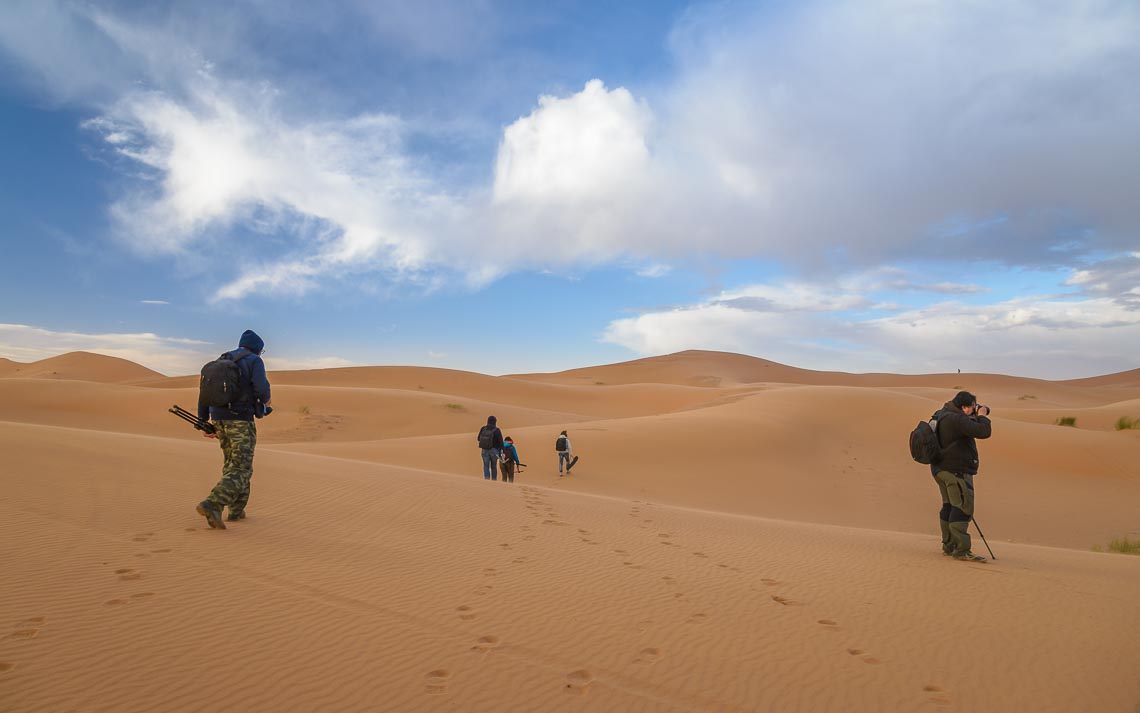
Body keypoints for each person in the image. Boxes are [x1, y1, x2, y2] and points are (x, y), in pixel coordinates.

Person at [195, 330, 272, 530]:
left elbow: (204, 393)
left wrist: (204, 421)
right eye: (262, 351)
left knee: (234, 463)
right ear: (257, 348)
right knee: (241, 468)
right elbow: (261, 389)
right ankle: (213, 503)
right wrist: (266, 402)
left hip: (219, 420)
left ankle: (237, 510)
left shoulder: (220, 361)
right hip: (240, 421)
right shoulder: (254, 361)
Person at [931, 391, 992, 561]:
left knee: (949, 506)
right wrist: (982, 415)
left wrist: (974, 414)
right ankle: (961, 549)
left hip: (940, 470)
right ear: (964, 407)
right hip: (955, 471)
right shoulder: (958, 420)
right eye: (972, 407)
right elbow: (984, 431)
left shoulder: (942, 413)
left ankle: (949, 545)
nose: (974, 409)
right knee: (962, 508)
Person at [476, 415, 504, 481]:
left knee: (486, 466)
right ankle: (494, 481)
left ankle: (487, 481)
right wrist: (503, 452)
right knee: (493, 467)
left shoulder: (483, 428)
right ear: (495, 422)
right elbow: (501, 442)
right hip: (494, 451)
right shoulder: (497, 430)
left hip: (484, 450)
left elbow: (478, 438)